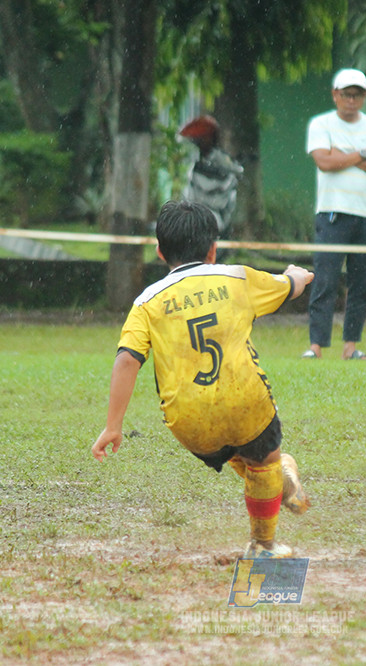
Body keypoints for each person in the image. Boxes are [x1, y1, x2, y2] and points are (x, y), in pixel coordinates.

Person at [91, 200, 314, 559]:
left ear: (160, 251)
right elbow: (289, 286)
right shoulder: (237, 277)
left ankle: (280, 481)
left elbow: (127, 360)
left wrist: (113, 426)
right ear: (213, 249)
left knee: (238, 453)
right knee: (264, 458)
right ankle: (263, 543)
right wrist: (298, 276)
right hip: (246, 403)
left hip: (189, 421)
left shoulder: (146, 302)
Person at [303, 68, 366, 361]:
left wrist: (343, 155)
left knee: (361, 283)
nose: (351, 100)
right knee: (325, 279)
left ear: (364, 97)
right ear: (335, 95)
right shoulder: (321, 124)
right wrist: (363, 155)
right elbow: (324, 162)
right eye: (346, 94)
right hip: (332, 213)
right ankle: (316, 346)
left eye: (357, 95)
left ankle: (351, 345)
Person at [179, 115, 244, 261]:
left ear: (207, 140)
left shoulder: (218, 165)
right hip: (201, 229)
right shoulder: (201, 163)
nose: (195, 144)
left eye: (197, 140)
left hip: (213, 229)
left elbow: (212, 199)